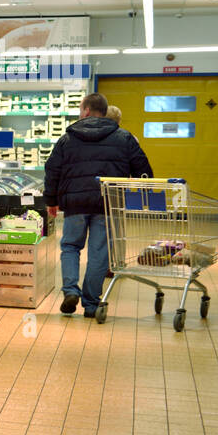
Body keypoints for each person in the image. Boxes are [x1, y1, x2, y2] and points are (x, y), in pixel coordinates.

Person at [44, 91, 152, 318]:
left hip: (75, 203)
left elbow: (52, 170)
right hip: (107, 203)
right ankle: (91, 303)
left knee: (71, 247)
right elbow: (143, 168)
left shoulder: (67, 138)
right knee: (99, 253)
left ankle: (71, 290)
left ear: (86, 111)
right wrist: (142, 193)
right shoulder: (124, 138)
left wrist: (51, 200)